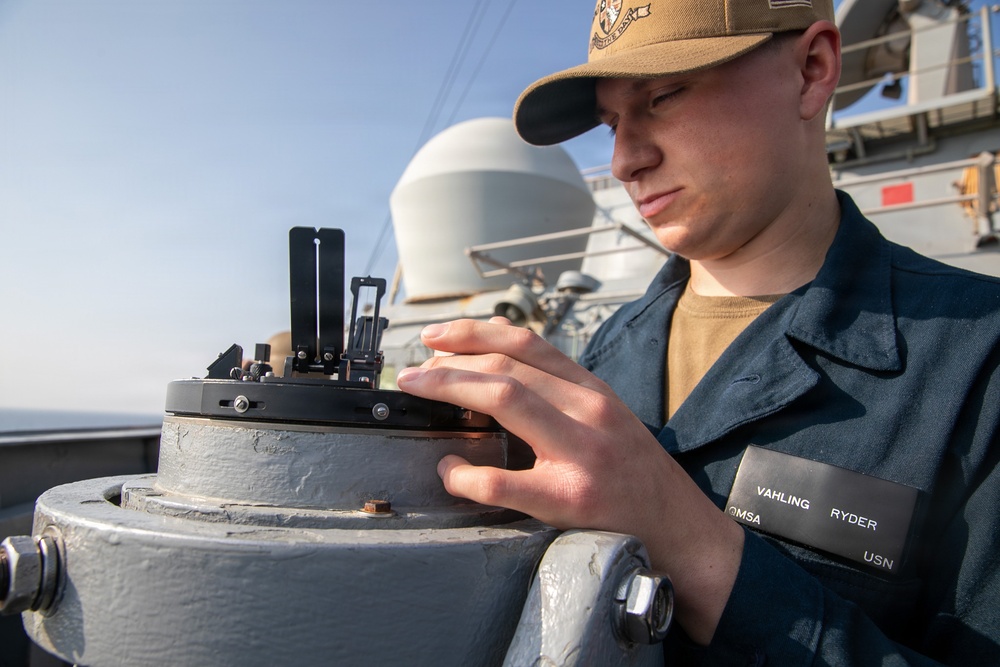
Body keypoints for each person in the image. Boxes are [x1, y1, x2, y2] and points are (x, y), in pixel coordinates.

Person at [396, 0, 1000, 663]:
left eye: (664, 95)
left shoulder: (980, 361)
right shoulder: (603, 356)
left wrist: (695, 548)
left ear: (812, 68)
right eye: (611, 122)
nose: (625, 159)